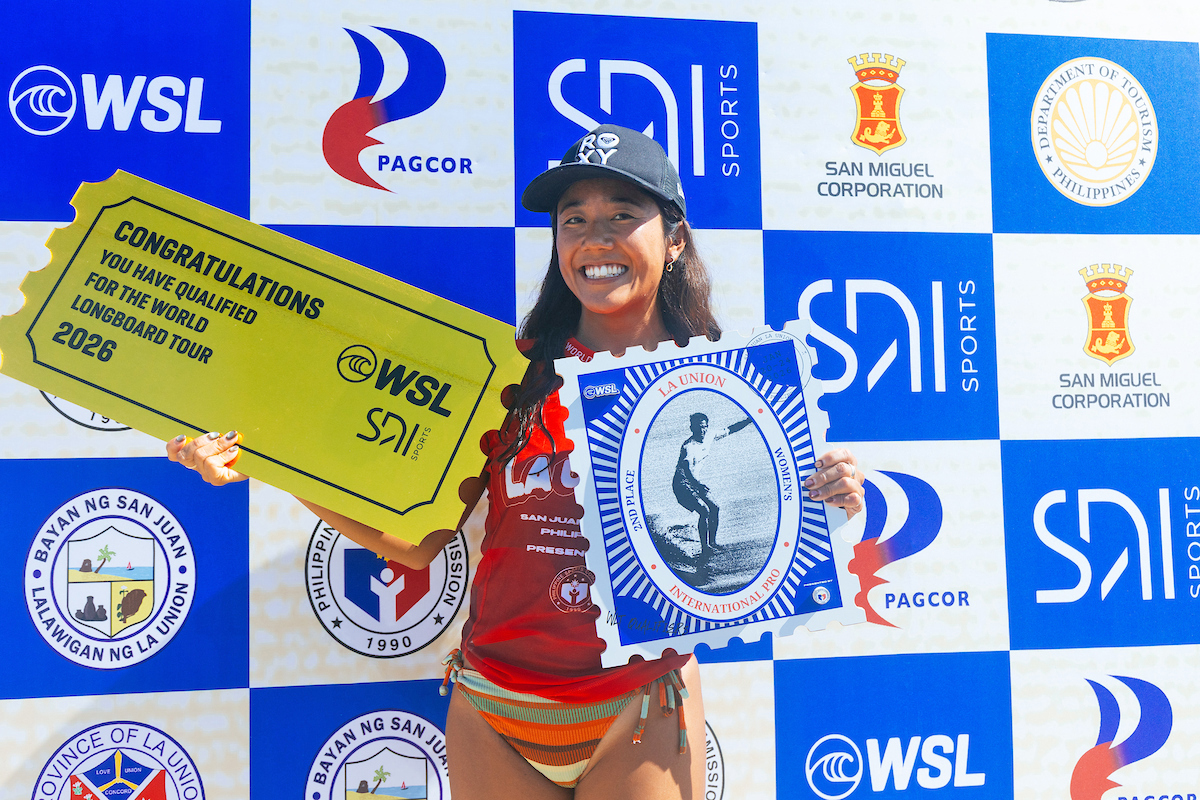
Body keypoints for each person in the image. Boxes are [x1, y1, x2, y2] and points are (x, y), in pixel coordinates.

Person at [167, 123, 865, 800]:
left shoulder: (733, 381)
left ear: (675, 238)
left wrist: (830, 496)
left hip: (639, 703)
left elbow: (775, 545)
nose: (595, 238)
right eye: (573, 219)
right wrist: (268, 458)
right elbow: (419, 545)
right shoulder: (507, 375)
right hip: (495, 706)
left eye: (623, 215)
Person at [672, 412, 752, 555]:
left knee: (715, 507)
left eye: (704, 427)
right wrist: (698, 484)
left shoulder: (710, 435)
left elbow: (731, 429)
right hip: (681, 484)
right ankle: (705, 548)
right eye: (698, 427)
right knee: (704, 511)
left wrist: (748, 421)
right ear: (692, 428)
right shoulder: (688, 446)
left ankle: (712, 543)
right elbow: (687, 470)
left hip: (695, 483)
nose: (702, 431)